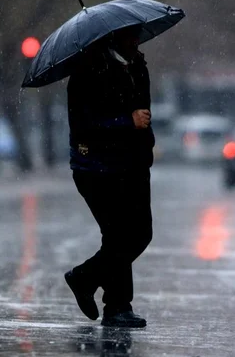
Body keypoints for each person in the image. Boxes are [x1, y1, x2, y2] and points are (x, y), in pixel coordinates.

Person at [64, 25, 154, 328]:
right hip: (97, 168)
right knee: (121, 235)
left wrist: (145, 145)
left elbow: (144, 112)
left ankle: (99, 290)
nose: (137, 40)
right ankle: (112, 302)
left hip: (134, 164)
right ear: (114, 36)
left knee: (138, 233)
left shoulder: (137, 65)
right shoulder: (88, 71)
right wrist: (125, 122)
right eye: (131, 35)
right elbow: (84, 124)